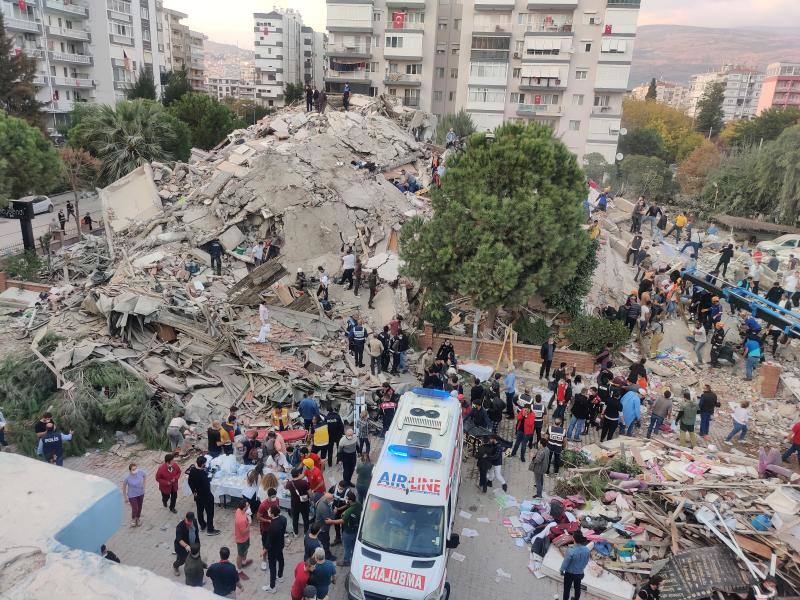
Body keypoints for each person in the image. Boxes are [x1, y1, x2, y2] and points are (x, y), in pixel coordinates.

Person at [187, 456, 220, 535]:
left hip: (197, 495)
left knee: (200, 511)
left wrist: (194, 491)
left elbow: (190, 481)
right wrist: (209, 478)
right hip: (206, 496)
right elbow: (206, 486)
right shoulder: (202, 474)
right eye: (205, 463)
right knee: (209, 512)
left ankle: (202, 525)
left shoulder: (192, 470)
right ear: (202, 464)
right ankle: (210, 529)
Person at [261, 505, 287, 594]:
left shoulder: (272, 526)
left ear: (272, 514)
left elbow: (269, 541)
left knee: (272, 567)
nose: (268, 511)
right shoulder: (283, 518)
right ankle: (280, 576)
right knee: (281, 559)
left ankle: (272, 587)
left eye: (269, 510)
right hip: (280, 544)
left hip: (273, 549)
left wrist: (264, 550)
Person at [560, 532, 590, 600]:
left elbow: (565, 562)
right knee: (577, 587)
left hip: (569, 573)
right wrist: (581, 569)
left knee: (567, 588)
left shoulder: (571, 550)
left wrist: (561, 570)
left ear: (574, 539)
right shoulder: (587, 550)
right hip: (579, 573)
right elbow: (586, 562)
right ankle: (576, 598)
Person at [173, 511, 201, 577]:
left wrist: (197, 543)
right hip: (182, 547)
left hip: (194, 544)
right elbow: (179, 539)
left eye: (191, 522)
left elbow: (196, 532)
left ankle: (195, 569)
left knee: (196, 557)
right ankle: (175, 566)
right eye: (188, 522)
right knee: (182, 560)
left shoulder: (194, 521)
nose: (190, 524)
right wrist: (186, 546)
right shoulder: (180, 526)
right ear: (186, 519)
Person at [287, 467, 311, 536]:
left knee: (295, 519)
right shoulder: (304, 483)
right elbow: (310, 493)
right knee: (305, 519)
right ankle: (306, 533)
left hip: (294, 504)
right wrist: (311, 499)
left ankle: (296, 533)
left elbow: (285, 487)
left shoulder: (289, 484)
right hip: (304, 504)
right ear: (299, 474)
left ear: (292, 475)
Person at [314, 491, 337, 561]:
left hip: (320, 527)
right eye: (331, 499)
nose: (332, 501)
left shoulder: (322, 501)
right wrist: (334, 512)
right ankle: (327, 556)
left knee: (324, 541)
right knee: (325, 542)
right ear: (327, 499)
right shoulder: (324, 508)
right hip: (323, 529)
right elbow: (329, 521)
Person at [233, 499, 252, 582]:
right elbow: (243, 531)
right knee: (240, 554)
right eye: (247, 505)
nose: (249, 506)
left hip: (246, 537)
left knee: (246, 550)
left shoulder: (239, 510)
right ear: (244, 508)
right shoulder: (240, 520)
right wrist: (249, 524)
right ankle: (239, 570)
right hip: (241, 539)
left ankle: (243, 563)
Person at [122, 462, 146, 527]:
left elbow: (144, 475)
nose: (135, 471)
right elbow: (124, 487)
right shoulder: (127, 477)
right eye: (133, 469)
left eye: (136, 469)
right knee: (135, 508)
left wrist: (144, 485)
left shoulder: (140, 472)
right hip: (132, 495)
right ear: (130, 470)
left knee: (140, 507)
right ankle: (133, 518)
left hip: (140, 493)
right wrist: (125, 497)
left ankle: (138, 518)